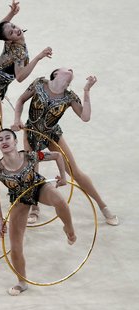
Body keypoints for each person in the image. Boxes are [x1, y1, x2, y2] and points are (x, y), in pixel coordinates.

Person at [12, 68, 119, 226]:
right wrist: (16, 119)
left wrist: (87, 91)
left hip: (52, 135)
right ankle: (35, 209)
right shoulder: (39, 83)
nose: (70, 70)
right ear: (55, 74)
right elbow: (21, 100)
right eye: (66, 70)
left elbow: (85, 117)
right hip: (31, 133)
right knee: (32, 173)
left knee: (74, 171)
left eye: (71, 75)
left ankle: (102, 205)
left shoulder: (69, 97)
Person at [0, 0, 52, 187]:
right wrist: (38, 57)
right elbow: (20, 77)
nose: (15, 30)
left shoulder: (9, 42)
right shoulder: (18, 50)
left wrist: (10, 13)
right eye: (10, 32)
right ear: (8, 39)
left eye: (14, 27)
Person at [0, 128, 76, 296]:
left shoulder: (30, 156)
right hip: (19, 200)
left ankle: (69, 229)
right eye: (1, 140)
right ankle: (22, 282)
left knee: (60, 201)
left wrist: (63, 177)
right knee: (15, 247)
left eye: (8, 138)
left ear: (15, 142)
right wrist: (0, 221)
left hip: (38, 187)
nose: (5, 141)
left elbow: (58, 155)